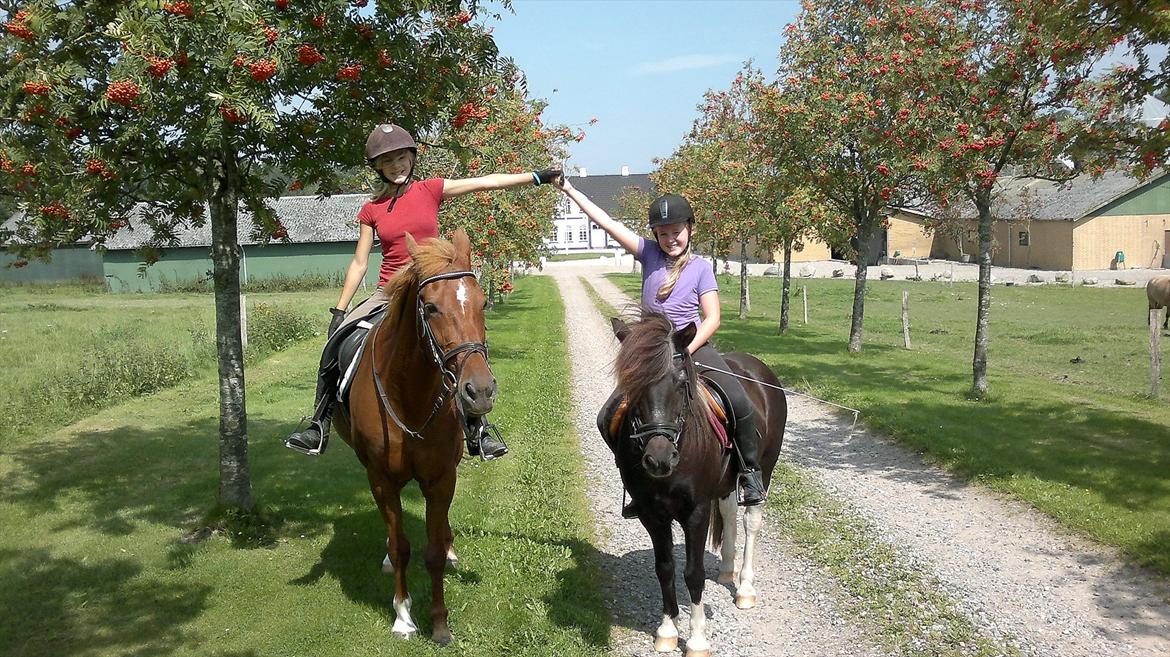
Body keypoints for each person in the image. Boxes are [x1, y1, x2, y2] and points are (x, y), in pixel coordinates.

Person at [285, 122, 561, 458]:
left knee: (464, 343)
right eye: (388, 162)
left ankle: (479, 429)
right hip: (388, 294)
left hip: (431, 290)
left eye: (401, 158)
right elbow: (359, 263)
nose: (396, 166)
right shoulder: (371, 211)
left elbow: (486, 182)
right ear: (378, 168)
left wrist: (538, 177)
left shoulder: (430, 190)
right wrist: (340, 312)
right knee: (336, 344)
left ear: (412, 159)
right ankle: (319, 424)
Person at [554, 177, 767, 510]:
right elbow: (607, 223)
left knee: (738, 400)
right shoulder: (647, 253)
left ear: (690, 229)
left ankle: (750, 473)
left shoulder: (701, 269)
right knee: (607, 417)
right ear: (655, 235)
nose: (671, 240)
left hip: (689, 344)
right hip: (652, 353)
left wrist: (686, 351)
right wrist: (569, 190)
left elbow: (712, 318)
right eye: (663, 233)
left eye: (676, 232)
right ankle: (636, 481)